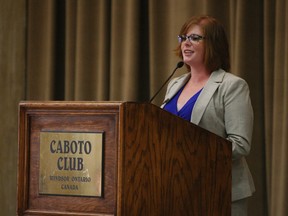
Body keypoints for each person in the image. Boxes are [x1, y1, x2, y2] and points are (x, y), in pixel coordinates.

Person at [161, 15, 255, 216]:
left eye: (195, 38)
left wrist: (192, 154)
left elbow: (240, 144)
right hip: (175, 190)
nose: (186, 42)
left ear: (213, 44)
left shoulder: (232, 85)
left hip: (219, 190)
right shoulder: (175, 84)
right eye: (183, 37)